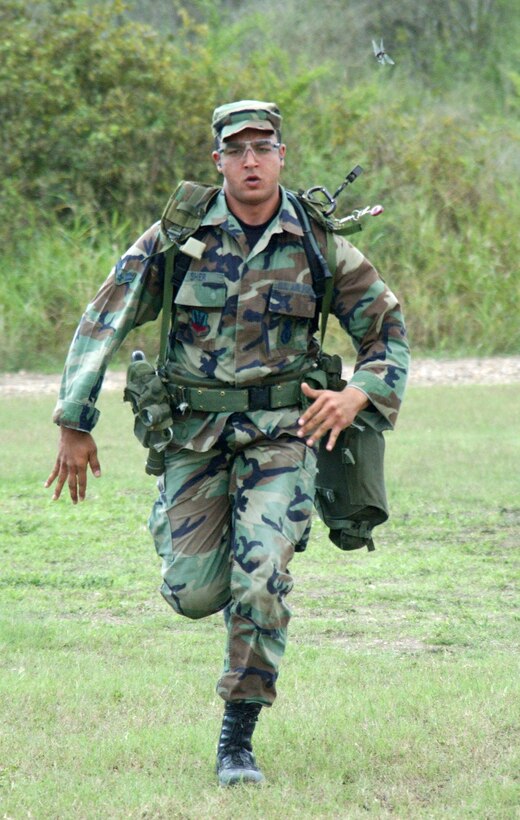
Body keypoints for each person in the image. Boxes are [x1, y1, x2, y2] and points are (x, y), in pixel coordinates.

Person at [45, 100, 410, 786]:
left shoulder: (319, 243)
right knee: (192, 594)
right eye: (235, 149)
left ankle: (237, 740)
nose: (250, 160)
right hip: (195, 438)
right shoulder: (176, 237)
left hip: (282, 438)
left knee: (263, 576)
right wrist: (75, 417)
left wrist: (358, 392)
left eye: (262, 147)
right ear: (217, 160)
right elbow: (106, 316)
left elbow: (387, 334)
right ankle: (190, 527)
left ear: (280, 155)